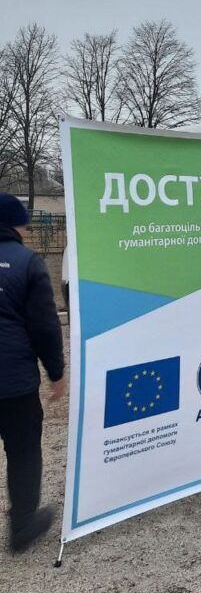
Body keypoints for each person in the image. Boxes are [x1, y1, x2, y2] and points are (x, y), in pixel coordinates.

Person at [0, 194, 66, 551]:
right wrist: (56, 373)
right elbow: (44, 327)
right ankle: (23, 525)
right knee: (23, 450)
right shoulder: (27, 262)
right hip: (13, 383)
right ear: (16, 224)